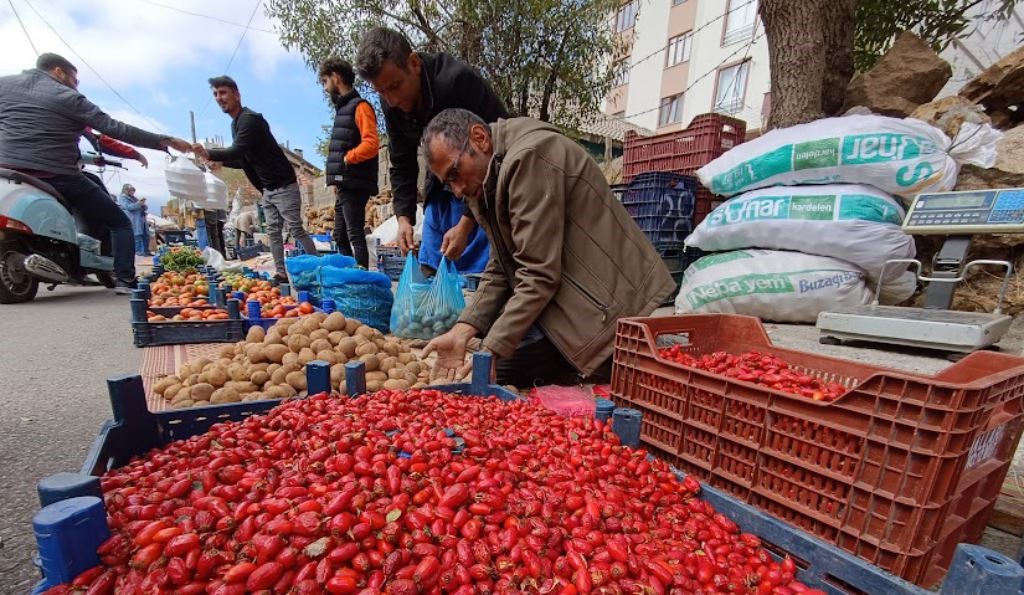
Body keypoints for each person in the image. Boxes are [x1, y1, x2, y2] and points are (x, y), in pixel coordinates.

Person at [422, 109, 677, 387]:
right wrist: (463, 330)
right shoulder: (485, 178)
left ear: (480, 138)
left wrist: (492, 349)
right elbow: (502, 265)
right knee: (499, 364)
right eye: (449, 183)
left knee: (503, 368)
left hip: (609, 304)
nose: (457, 190)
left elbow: (537, 274)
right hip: (572, 295)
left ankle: (610, 358)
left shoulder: (530, 158)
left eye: (455, 173)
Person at [0, 53, 191, 292]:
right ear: (59, 72)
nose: (76, 85)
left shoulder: (4, 85)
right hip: (55, 174)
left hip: (6, 172)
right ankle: (125, 279)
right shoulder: (68, 97)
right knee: (120, 223)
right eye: (74, 80)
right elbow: (115, 128)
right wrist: (165, 141)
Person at [355, 27, 505, 276]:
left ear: (413, 64)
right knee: (430, 275)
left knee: (482, 278)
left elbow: (495, 154)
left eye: (395, 86)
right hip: (439, 194)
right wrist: (404, 218)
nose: (391, 100)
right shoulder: (391, 103)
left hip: (481, 192)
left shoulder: (457, 82)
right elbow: (401, 163)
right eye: (382, 92)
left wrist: (468, 223)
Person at [192, 75, 318, 283]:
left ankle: (318, 267)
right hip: (268, 189)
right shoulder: (236, 125)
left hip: (284, 184)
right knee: (273, 232)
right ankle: (280, 273)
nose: (218, 98)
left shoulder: (250, 120)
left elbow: (238, 150)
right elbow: (244, 159)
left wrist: (210, 153)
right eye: (215, 94)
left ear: (237, 94)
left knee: (295, 228)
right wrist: (220, 162)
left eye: (223, 92)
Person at [319, 57, 379, 269]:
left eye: (325, 81)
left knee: (353, 234)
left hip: (355, 181)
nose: (325, 88)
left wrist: (347, 159)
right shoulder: (344, 108)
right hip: (346, 182)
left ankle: (361, 279)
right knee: (340, 234)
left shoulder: (360, 107)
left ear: (336, 77)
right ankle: (350, 274)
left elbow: (371, 143)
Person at [116, 184, 150, 256]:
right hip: (134, 219)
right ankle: (139, 253)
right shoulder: (123, 198)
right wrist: (138, 204)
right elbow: (128, 207)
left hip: (141, 219)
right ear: (126, 190)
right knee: (137, 236)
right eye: (131, 190)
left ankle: (146, 251)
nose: (133, 192)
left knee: (146, 235)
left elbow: (144, 207)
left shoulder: (134, 198)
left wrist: (143, 205)